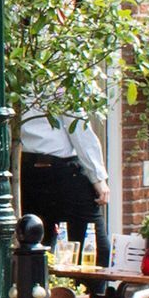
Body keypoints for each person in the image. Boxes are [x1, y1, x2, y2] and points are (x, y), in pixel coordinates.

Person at [18, 106, 111, 263]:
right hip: (61, 170)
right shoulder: (59, 90)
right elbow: (77, 125)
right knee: (96, 249)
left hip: (25, 170)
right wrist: (98, 178)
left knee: (37, 248)